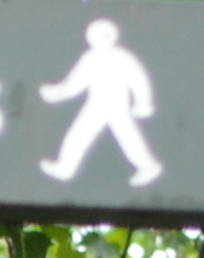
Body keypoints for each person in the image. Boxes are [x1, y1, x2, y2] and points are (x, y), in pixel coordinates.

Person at [36, 17, 163, 188]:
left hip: (115, 106)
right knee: (80, 135)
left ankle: (148, 166)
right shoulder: (90, 57)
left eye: (104, 35)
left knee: (126, 137)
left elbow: (138, 80)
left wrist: (143, 102)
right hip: (96, 105)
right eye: (96, 35)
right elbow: (75, 84)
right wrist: (57, 93)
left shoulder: (122, 58)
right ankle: (66, 167)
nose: (100, 38)